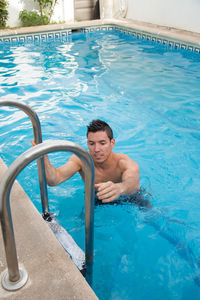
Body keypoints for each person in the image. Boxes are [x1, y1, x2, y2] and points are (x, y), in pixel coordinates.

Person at [32, 119, 140, 204]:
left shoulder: (123, 162)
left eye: (102, 143)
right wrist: (43, 157)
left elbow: (133, 182)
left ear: (112, 143)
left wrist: (119, 188)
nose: (96, 149)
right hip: (96, 198)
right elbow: (54, 180)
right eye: (92, 143)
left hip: (128, 197)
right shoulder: (81, 160)